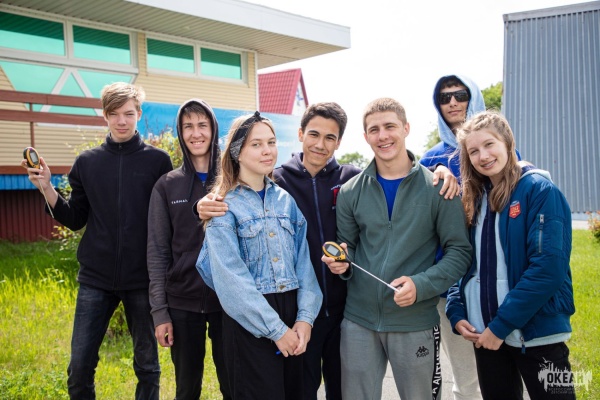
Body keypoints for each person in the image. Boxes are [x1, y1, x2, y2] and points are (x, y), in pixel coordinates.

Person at [196, 102, 458, 399]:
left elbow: (398, 173)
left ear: (339, 142)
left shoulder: (349, 182)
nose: (320, 144)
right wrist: (201, 206)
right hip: (276, 317)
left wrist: (439, 170)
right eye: (256, 144)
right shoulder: (276, 182)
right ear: (300, 134)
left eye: (270, 142)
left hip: (332, 311)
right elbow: (228, 275)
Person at [22, 82, 173, 399]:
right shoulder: (87, 162)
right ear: (104, 115)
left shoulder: (158, 162)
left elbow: (168, 222)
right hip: (95, 279)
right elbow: (75, 217)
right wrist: (46, 187)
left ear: (139, 113)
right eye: (114, 114)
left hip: (141, 279)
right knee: (79, 367)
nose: (121, 121)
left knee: (148, 366)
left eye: (128, 113)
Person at [322, 97, 472, 400]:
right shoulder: (350, 192)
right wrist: (342, 264)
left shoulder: (439, 188)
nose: (383, 136)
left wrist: (421, 285)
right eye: (374, 130)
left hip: (415, 321)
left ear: (406, 128)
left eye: (390, 126)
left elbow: (459, 251)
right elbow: (349, 248)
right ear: (366, 137)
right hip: (358, 322)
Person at [446, 110, 575, 400]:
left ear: (507, 142)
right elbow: (463, 262)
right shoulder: (475, 198)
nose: (483, 156)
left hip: (537, 336)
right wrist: (457, 311)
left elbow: (547, 269)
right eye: (473, 151)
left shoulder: (540, 190)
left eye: (489, 144)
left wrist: (500, 326)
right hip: (485, 335)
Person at [196, 112, 323, 399]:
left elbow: (304, 265)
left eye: (271, 142)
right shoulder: (223, 207)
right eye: (256, 144)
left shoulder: (286, 201)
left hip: (292, 316)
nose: (267, 150)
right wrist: (276, 330)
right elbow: (231, 281)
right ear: (237, 152)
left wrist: (305, 319)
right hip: (249, 322)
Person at [147, 99, 231, 399]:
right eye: (188, 127)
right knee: (186, 390)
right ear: (180, 133)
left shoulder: (233, 181)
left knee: (235, 386)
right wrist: (160, 313)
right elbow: (157, 252)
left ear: (214, 129)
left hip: (230, 303)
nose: (196, 133)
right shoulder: (167, 185)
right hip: (182, 303)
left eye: (202, 125)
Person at [420, 74, 486, 400]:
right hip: (450, 289)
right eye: (444, 98)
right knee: (467, 380)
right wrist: (434, 172)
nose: (453, 103)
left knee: (505, 374)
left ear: (473, 97)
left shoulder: (500, 151)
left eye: (460, 94)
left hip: (497, 283)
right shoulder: (430, 160)